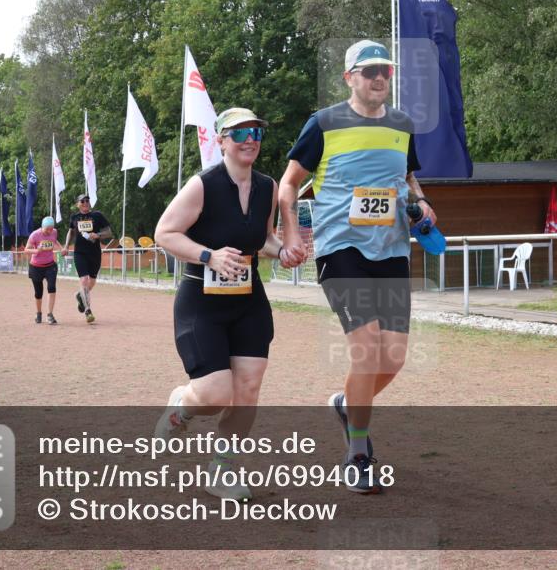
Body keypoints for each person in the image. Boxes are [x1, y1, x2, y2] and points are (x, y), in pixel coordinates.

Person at [278, 40, 438, 495]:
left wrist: (422, 203)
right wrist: (291, 232)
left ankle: (348, 405)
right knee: (367, 350)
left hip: (391, 250)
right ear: (349, 77)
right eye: (369, 71)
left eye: (385, 70)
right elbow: (289, 185)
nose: (379, 78)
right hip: (340, 248)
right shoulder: (323, 123)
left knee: (394, 358)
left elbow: (406, 178)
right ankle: (358, 454)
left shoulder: (402, 125)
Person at [154, 107, 290, 502]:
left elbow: (262, 238)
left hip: (249, 300)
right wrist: (208, 255)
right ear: (221, 141)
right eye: (239, 132)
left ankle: (223, 469)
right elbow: (165, 233)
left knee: (247, 390)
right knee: (215, 395)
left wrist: (282, 252)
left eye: (256, 132)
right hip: (202, 302)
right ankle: (180, 406)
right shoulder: (202, 185)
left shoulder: (268, 186)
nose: (250, 139)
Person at [62, 193, 112, 324]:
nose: (85, 203)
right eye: (82, 201)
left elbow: (109, 232)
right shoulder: (75, 217)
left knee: (92, 281)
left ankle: (80, 296)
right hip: (80, 253)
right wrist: (66, 246)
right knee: (84, 280)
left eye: (87, 201)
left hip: (95, 253)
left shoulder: (97, 215)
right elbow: (71, 231)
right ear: (77, 204)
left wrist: (98, 235)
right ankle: (88, 310)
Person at [26, 217, 62, 324]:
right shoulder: (35, 235)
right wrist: (37, 250)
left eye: (51, 229)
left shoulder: (54, 232)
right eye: (47, 229)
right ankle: (38, 313)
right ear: (42, 227)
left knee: (51, 288)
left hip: (50, 265)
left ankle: (50, 314)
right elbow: (26, 250)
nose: (49, 231)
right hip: (36, 267)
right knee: (38, 292)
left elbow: (55, 240)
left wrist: (61, 248)